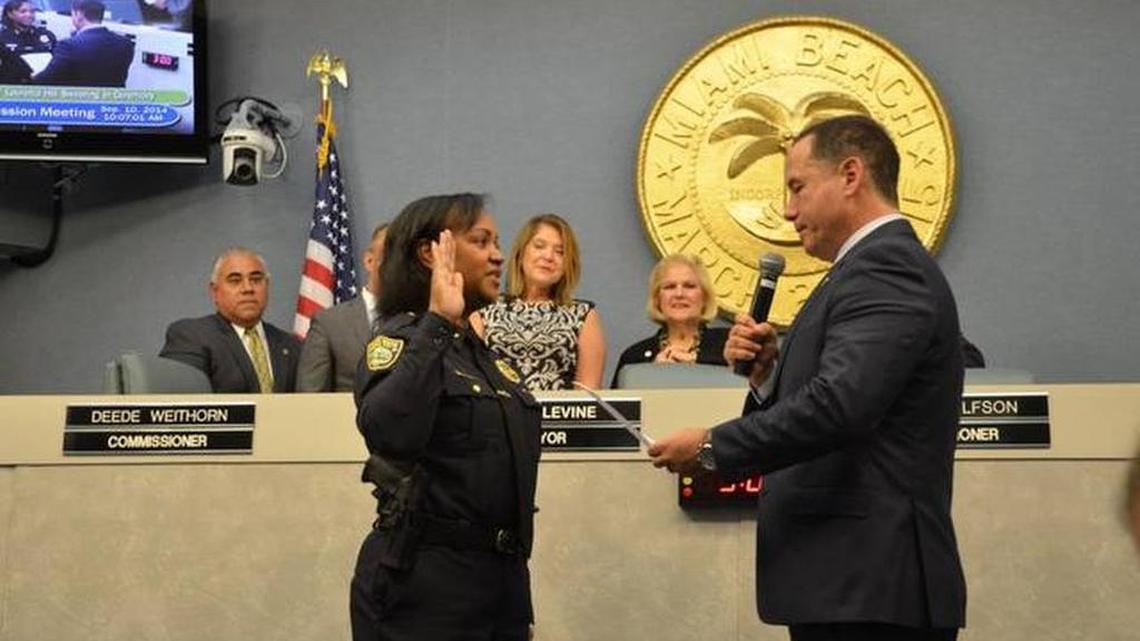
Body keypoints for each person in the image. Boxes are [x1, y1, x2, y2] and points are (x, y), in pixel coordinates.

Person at [649, 115, 967, 641]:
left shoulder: (885, 266)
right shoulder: (861, 269)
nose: (788, 210)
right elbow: (849, 399)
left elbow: (841, 407)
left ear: (850, 175)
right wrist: (770, 376)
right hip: (848, 585)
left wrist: (710, 448)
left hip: (871, 587)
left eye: (797, 187)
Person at [351, 193, 541, 641]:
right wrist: (437, 322)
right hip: (423, 584)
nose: (498, 254)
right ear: (430, 253)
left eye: (497, 241)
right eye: (481, 241)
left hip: (500, 583)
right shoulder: (403, 341)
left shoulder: (483, 357)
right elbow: (388, 431)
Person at [472, 213, 605, 391]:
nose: (549, 256)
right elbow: (470, 380)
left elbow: (588, 394)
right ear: (521, 254)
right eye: (539, 246)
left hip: (558, 417)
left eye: (560, 251)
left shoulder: (583, 314)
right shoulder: (484, 310)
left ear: (568, 264)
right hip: (496, 415)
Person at [160, 248, 300, 393]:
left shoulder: (291, 345)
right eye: (235, 281)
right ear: (215, 292)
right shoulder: (191, 336)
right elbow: (182, 405)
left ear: (267, 286)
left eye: (256, 280)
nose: (248, 288)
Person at [610, 253, 728, 388]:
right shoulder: (633, 357)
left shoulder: (728, 345)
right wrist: (650, 375)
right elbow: (616, 408)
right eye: (670, 287)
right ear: (657, 299)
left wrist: (698, 363)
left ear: (705, 297)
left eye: (689, 286)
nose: (679, 294)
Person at [296, 223, 388, 392]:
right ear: (369, 260)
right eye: (390, 255)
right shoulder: (329, 323)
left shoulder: (424, 320)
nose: (398, 264)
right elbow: (309, 400)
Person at [33, 1, 134, 87]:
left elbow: (48, 79)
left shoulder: (68, 45)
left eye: (72, 14)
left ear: (79, 14)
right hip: (111, 105)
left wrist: (32, 77)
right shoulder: (126, 44)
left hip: (80, 107)